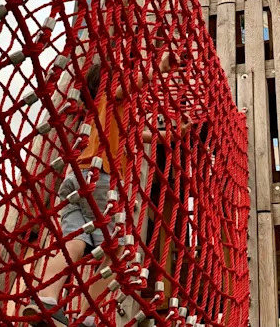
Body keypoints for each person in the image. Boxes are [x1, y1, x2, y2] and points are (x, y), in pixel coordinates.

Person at [24, 50, 176, 327]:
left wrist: (172, 134)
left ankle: (45, 298)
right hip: (100, 179)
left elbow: (141, 134)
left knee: (75, 242)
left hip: (76, 179)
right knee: (118, 251)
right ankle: (89, 317)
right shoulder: (111, 99)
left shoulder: (105, 115)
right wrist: (158, 67)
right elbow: (125, 89)